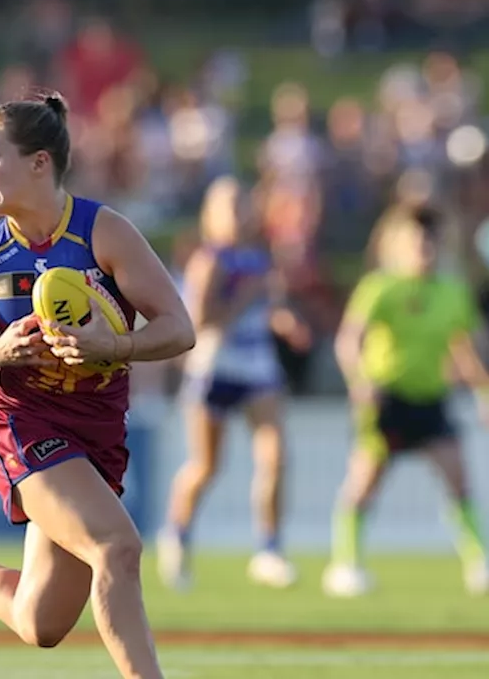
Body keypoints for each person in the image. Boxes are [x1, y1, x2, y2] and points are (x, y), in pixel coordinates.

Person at [0, 93, 194, 679]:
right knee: (117, 550)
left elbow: (180, 328)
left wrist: (115, 347)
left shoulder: (105, 233)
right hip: (26, 427)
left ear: (39, 163)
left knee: (40, 623)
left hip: (97, 432)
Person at [324, 205, 489, 597]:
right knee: (365, 482)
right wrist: (361, 381)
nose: (423, 249)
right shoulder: (381, 288)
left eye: (429, 242)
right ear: (399, 246)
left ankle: (479, 562)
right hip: (388, 400)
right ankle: (345, 565)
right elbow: (350, 340)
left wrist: (483, 392)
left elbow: (468, 350)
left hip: (431, 400)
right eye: (416, 242)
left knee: (458, 479)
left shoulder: (453, 291)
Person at [157, 176, 309, 592]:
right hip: (215, 368)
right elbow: (197, 324)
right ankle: (177, 534)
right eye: (231, 206)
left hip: (258, 366)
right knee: (206, 466)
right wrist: (244, 297)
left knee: (276, 456)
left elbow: (267, 308)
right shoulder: (210, 261)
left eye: (244, 204)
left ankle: (270, 549)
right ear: (213, 216)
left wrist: (285, 322)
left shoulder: (260, 258)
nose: (240, 213)